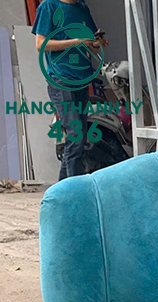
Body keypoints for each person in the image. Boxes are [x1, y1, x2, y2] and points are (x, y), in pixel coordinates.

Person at [33, 0, 107, 180]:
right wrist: (75, 42)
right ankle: (74, 187)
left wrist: (97, 43)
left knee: (79, 138)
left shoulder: (82, 8)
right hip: (61, 79)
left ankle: (63, 187)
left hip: (81, 79)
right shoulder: (49, 6)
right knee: (75, 135)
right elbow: (40, 44)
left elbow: (90, 41)